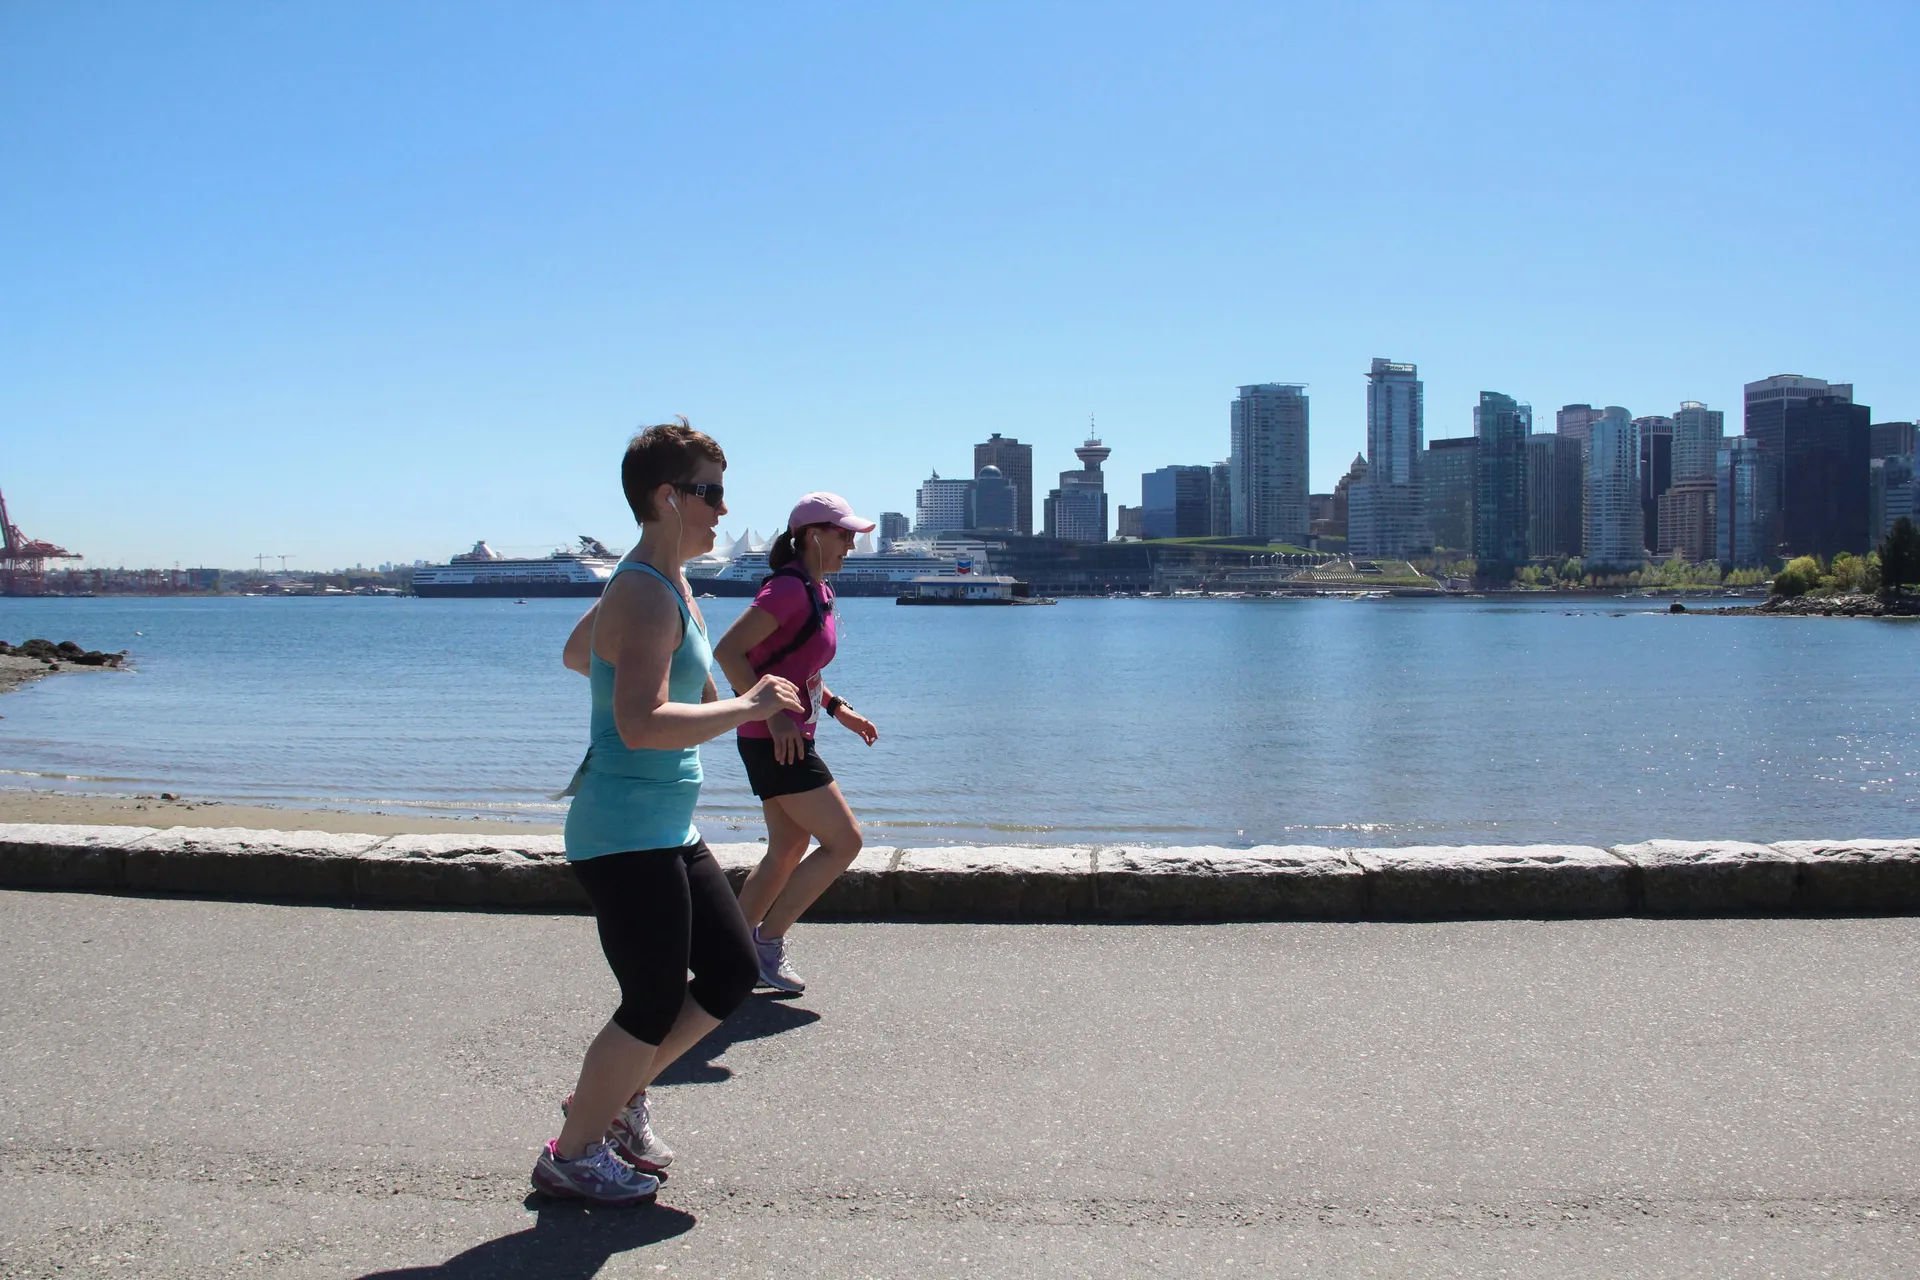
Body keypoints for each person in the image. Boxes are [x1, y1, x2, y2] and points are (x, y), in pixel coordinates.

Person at [533, 419, 804, 1206]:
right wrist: (746, 703)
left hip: (664, 826)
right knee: (650, 1002)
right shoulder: (646, 592)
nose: (723, 509)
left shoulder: (659, 584)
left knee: (725, 972)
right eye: (710, 492)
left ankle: (609, 1105)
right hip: (622, 833)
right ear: (666, 497)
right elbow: (640, 724)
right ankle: (573, 1152)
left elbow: (579, 653)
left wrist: (742, 703)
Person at [713, 492, 879, 994]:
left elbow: (794, 667)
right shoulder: (787, 591)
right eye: (844, 534)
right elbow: (729, 652)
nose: (851, 544)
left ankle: (730, 954)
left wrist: (835, 708)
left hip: (786, 736)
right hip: (775, 741)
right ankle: (766, 944)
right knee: (845, 841)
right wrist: (773, 716)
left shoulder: (818, 590)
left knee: (787, 848)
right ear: (813, 535)